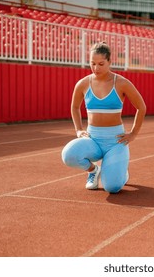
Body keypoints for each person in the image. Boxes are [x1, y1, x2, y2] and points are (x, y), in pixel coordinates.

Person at [61, 42, 146, 193]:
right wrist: (79, 130)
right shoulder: (83, 84)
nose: (96, 68)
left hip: (115, 142)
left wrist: (133, 134)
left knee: (112, 188)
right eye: (92, 63)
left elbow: (141, 107)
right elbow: (74, 107)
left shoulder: (121, 83)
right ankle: (93, 171)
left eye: (101, 64)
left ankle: (121, 173)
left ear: (110, 62)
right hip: (93, 139)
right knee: (69, 155)